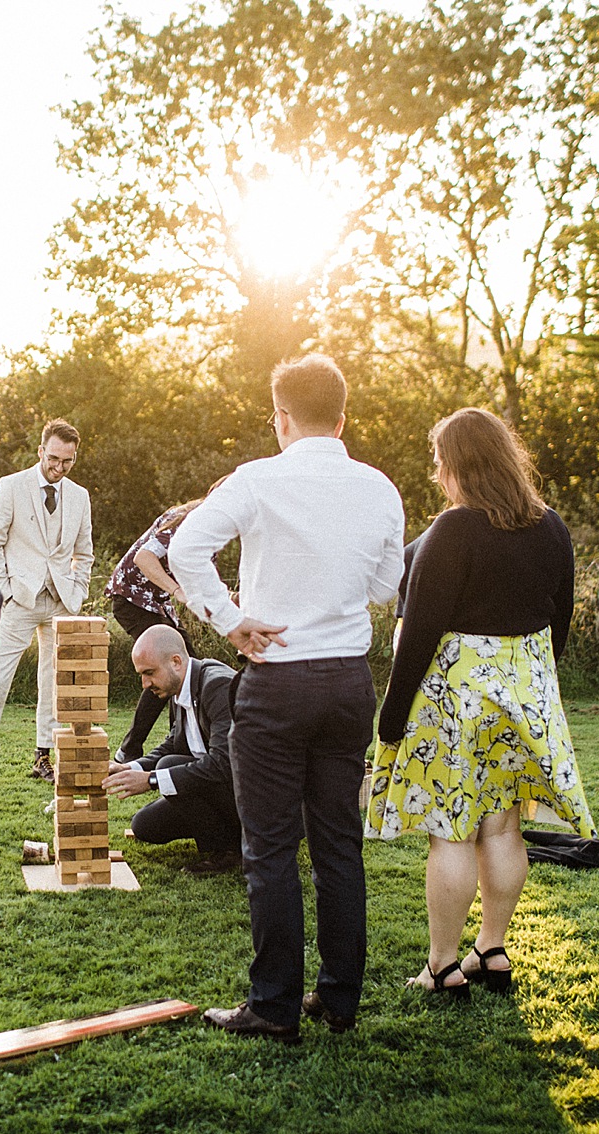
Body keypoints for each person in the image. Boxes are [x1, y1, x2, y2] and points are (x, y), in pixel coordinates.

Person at [169, 354, 405, 1042]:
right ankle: (338, 999)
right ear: (342, 417)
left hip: (277, 679)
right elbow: (387, 587)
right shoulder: (378, 486)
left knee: (269, 848)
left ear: (280, 417)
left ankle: (273, 1007)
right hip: (347, 683)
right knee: (337, 843)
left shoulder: (258, 479)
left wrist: (226, 617)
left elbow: (187, 548)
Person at [367, 407, 595, 998]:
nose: (438, 473)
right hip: (527, 695)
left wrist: (391, 718)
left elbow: (417, 634)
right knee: (502, 829)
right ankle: (491, 950)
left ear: (458, 465)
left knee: (452, 832)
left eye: (440, 462)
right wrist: (530, 687)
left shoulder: (455, 529)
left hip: (456, 698)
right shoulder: (553, 528)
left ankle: (442, 966)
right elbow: (560, 621)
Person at [0, 419, 93, 790]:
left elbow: (85, 553)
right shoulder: (12, 486)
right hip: (19, 601)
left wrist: (76, 595)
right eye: (53, 458)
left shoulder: (80, 496)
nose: (59, 467)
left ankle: (43, 757)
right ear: (40, 451)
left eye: (67, 461)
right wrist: (6, 590)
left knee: (53, 683)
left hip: (61, 602)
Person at [101, 625, 241, 875]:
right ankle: (224, 832)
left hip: (253, 797)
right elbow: (175, 743)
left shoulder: (217, 685)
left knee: (168, 766)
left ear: (176, 661)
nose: (145, 684)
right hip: (221, 789)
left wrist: (152, 780)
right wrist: (130, 767)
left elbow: (224, 764)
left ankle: (230, 850)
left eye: (149, 673)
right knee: (145, 825)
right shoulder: (181, 686)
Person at [104, 499, 202, 764]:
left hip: (155, 603)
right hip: (133, 599)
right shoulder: (188, 521)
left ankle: (179, 744)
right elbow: (143, 557)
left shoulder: (208, 529)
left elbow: (202, 578)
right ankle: (132, 749)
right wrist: (176, 591)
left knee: (187, 666)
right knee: (168, 666)